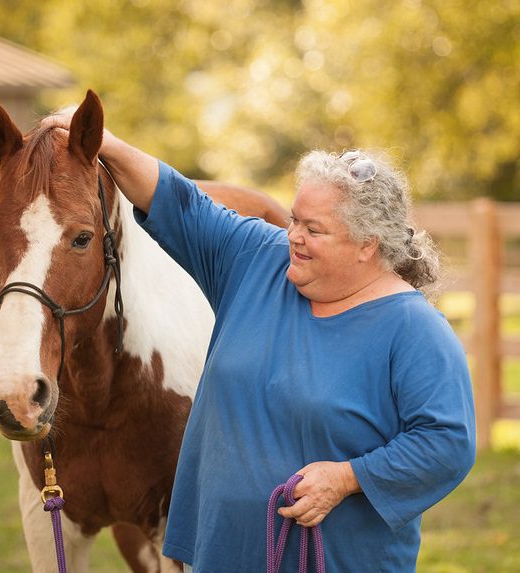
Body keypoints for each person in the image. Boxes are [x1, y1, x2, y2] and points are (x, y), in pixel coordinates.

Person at [46, 113, 476, 572]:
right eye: (294, 219)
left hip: (339, 562)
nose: (293, 236)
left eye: (314, 229)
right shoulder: (255, 260)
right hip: (223, 556)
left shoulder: (413, 328)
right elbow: (177, 199)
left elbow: (446, 442)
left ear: (367, 245)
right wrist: (106, 145)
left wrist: (347, 478)